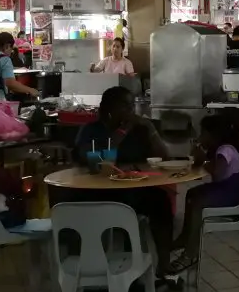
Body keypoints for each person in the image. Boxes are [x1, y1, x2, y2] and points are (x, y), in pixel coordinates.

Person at [69, 87, 172, 267]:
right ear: (109, 108)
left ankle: (164, 265)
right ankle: (107, 266)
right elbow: (93, 159)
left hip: (133, 187)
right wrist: (122, 132)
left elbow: (164, 157)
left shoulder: (139, 130)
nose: (131, 111)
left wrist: (150, 128)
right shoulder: (91, 131)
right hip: (98, 190)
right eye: (125, 106)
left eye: (132, 106)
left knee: (161, 201)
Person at [168, 115, 239, 273]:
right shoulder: (220, 149)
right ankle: (185, 238)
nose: (200, 137)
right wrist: (199, 156)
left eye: (203, 133)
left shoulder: (226, 149)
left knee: (199, 202)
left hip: (233, 194)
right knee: (192, 193)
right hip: (225, 189)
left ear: (214, 135)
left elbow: (218, 173)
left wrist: (204, 160)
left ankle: (191, 252)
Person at [0, 32, 40, 101]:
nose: (11, 52)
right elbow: (10, 83)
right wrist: (31, 90)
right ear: (7, 46)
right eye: (11, 49)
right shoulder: (4, 59)